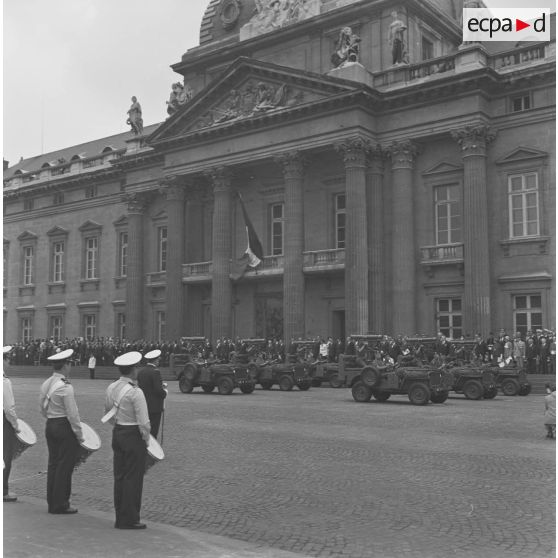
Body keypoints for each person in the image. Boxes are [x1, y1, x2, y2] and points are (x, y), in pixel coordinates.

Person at [104, 351, 150, 529]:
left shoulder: (111, 388)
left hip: (118, 431)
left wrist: (117, 424)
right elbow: (144, 423)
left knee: (120, 476)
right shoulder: (136, 392)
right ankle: (130, 518)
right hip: (133, 435)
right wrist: (146, 440)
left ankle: (120, 516)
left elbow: (107, 413)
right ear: (133, 370)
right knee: (133, 478)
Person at [39, 349, 84, 514]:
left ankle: (52, 500)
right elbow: (73, 414)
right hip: (64, 426)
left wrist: (50, 417)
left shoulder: (46, 383)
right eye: (69, 363)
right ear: (65, 366)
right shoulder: (66, 387)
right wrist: (80, 435)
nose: (70, 366)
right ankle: (61, 503)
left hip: (50, 424)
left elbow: (42, 406)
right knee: (65, 466)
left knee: (53, 464)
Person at [137, 350, 167, 439]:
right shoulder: (155, 372)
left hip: (143, 404)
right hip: (154, 407)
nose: (158, 361)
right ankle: (151, 450)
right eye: (158, 360)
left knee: (144, 429)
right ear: (155, 360)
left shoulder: (141, 371)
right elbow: (158, 390)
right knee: (153, 431)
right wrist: (164, 392)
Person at [3, 346, 20, 502]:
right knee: (5, 457)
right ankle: (3, 491)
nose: (9, 363)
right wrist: (16, 425)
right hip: (3, 423)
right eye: (8, 359)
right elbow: (9, 409)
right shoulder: (4, 381)